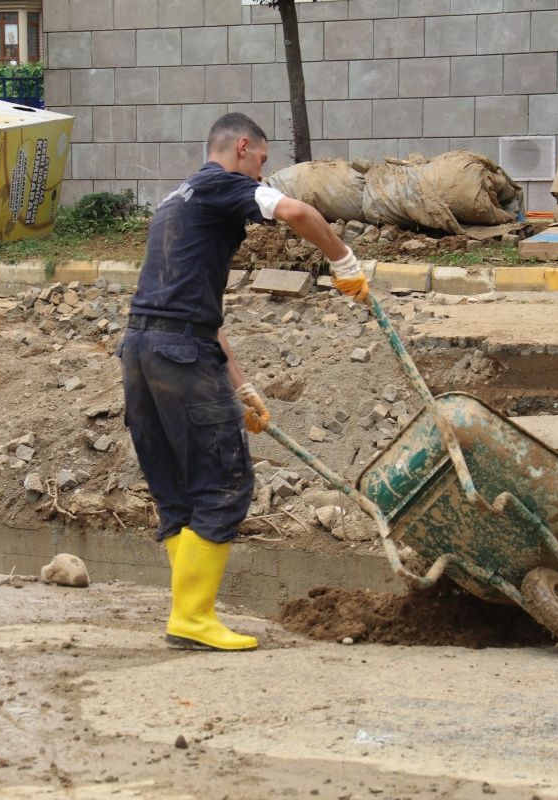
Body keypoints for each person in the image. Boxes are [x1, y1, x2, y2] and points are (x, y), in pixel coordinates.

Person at [118, 112, 367, 652]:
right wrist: (343, 260)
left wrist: (241, 386)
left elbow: (192, 313)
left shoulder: (175, 202)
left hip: (141, 350)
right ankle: (192, 618)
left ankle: (188, 614)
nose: (261, 172)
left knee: (177, 490)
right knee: (225, 482)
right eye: (261, 161)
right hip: (179, 355)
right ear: (243, 147)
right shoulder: (221, 184)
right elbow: (297, 211)